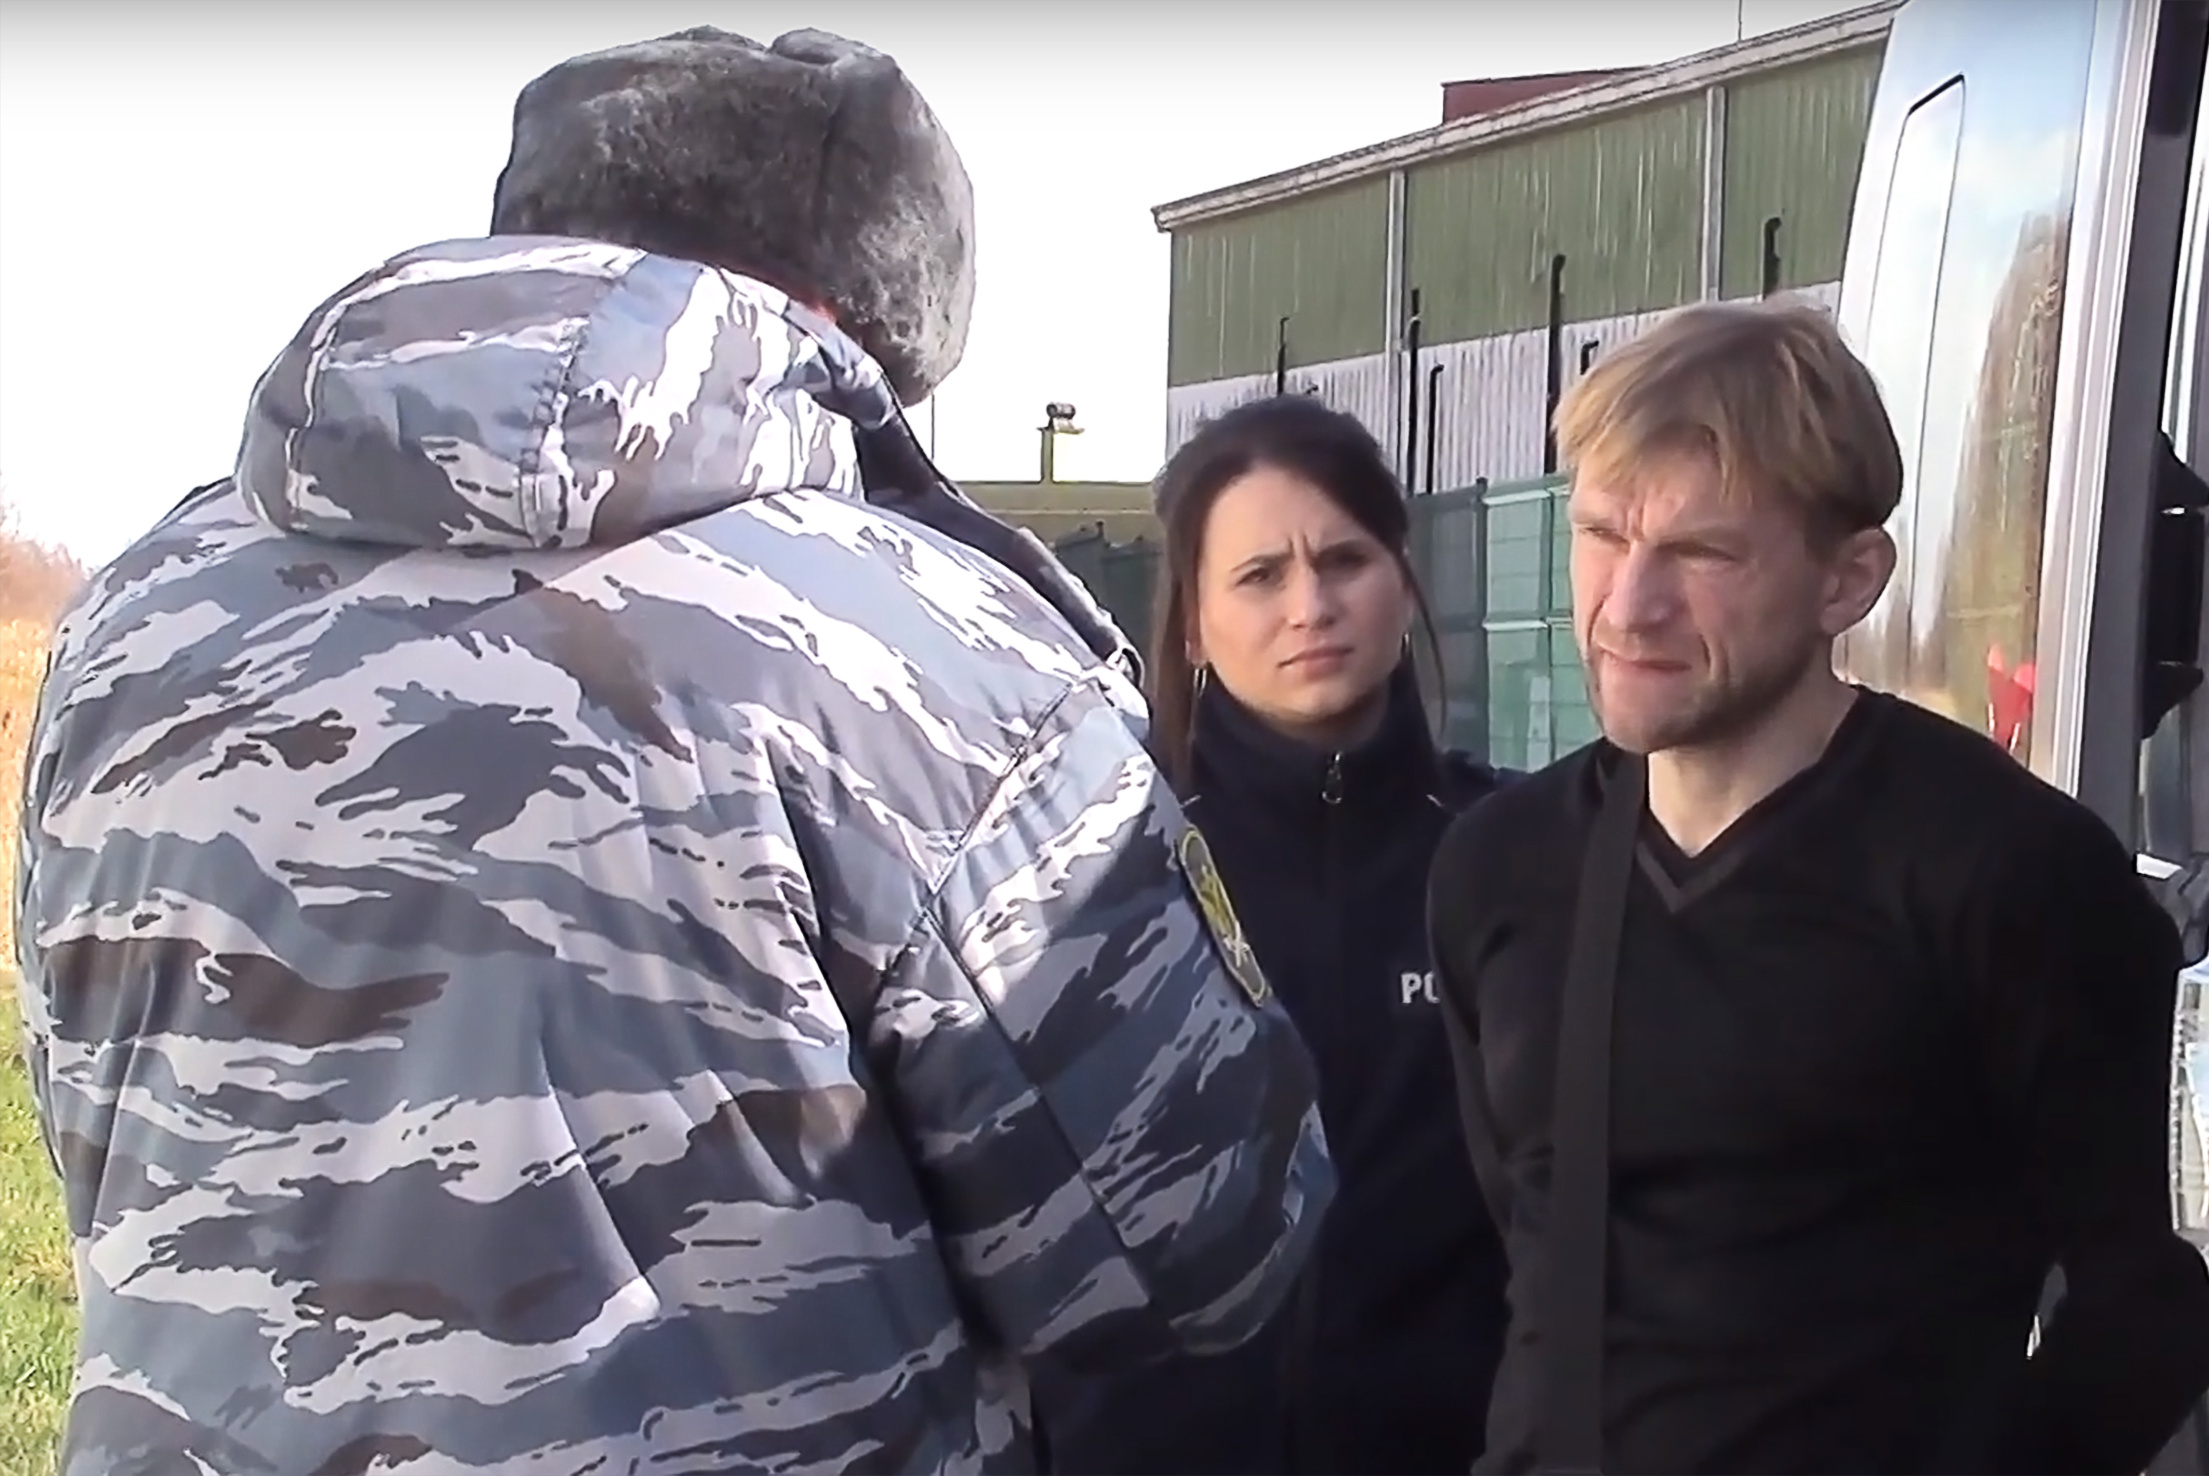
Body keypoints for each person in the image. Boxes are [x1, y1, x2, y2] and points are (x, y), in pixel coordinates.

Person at [10, 28, 1336, 1476]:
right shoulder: (919, 653)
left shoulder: (135, 618)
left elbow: (96, 1121)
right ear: (829, 321)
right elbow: (1196, 1235)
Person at [1428, 298, 2209, 1474]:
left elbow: (2143, 1311)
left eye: (1699, 553)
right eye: (1598, 533)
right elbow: (1525, 1257)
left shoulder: (2005, 872)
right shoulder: (1498, 867)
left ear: (1846, 581)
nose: (1626, 606)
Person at [1037, 395, 1514, 1474]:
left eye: (1344, 561)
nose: (1310, 606)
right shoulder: (1096, 871)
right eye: (1259, 576)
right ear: (1192, 623)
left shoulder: (1508, 857)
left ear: (1403, 581)